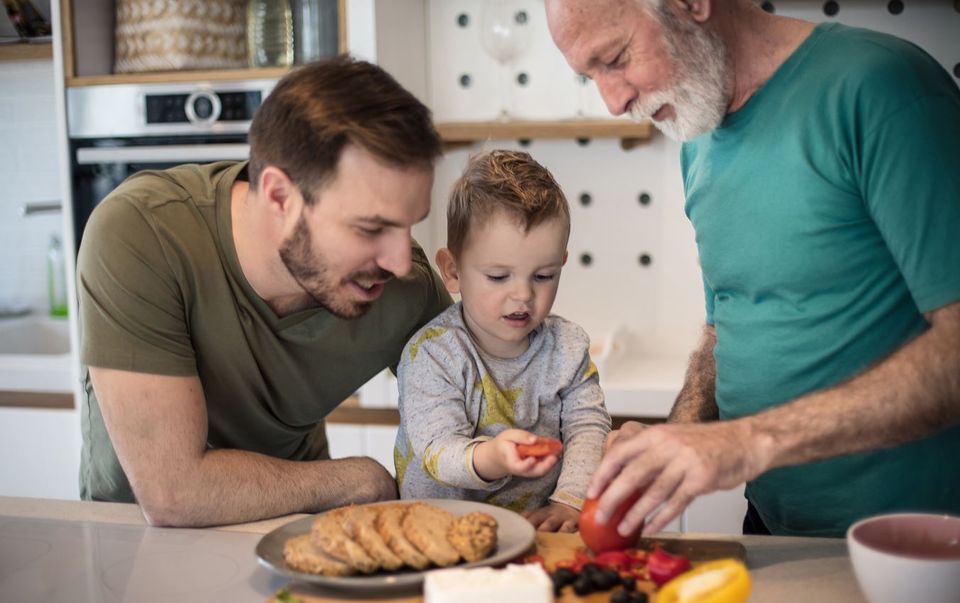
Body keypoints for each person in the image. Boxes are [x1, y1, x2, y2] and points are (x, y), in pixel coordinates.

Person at [545, 0, 960, 537]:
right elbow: (727, 327)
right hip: (772, 527)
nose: (613, 100)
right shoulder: (698, 139)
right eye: (590, 76)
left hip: (913, 538)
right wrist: (676, 438)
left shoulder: (882, 87)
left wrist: (747, 443)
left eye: (617, 57)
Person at [76, 56, 452, 527]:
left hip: (298, 532)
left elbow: (483, 411)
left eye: (408, 225)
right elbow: (173, 492)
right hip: (133, 547)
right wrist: (361, 479)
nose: (398, 261)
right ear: (279, 197)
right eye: (370, 227)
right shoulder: (141, 233)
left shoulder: (403, 285)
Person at [393, 150, 612, 532]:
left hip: (535, 532)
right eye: (498, 276)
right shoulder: (432, 353)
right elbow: (437, 451)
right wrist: (494, 457)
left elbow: (588, 426)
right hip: (440, 532)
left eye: (543, 276)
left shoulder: (569, 347)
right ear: (452, 271)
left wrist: (569, 501)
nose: (523, 295)